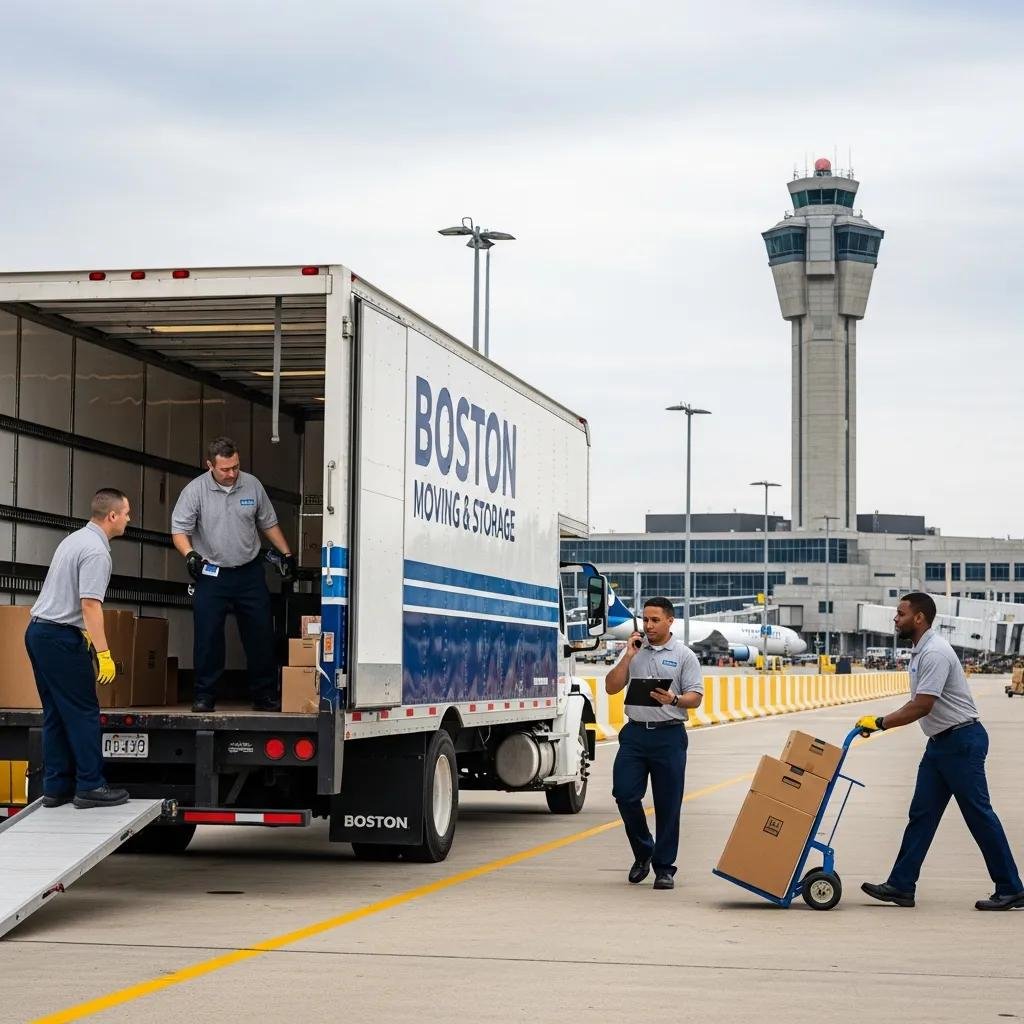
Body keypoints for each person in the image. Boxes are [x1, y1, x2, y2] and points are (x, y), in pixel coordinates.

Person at [857, 592, 1024, 910]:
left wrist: (881, 722)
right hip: (941, 745)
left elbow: (922, 705)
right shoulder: (921, 652)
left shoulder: (934, 652)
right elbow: (917, 701)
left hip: (961, 742)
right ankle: (901, 885)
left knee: (978, 815)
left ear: (919, 618)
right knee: (921, 815)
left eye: (901, 613)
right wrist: (884, 720)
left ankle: (1011, 887)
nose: (895, 618)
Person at [171, 437, 296, 713]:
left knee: (260, 634)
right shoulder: (195, 491)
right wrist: (190, 555)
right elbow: (179, 530)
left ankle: (264, 695)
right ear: (209, 466)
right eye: (225, 469)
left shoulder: (251, 484)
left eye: (235, 467)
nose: (231, 474)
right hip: (212, 574)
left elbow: (268, 523)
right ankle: (204, 696)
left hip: (249, 572)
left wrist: (286, 554)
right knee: (208, 636)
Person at [24, 489, 132, 809]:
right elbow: (89, 605)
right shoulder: (97, 552)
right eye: (126, 513)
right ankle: (90, 785)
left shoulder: (74, 539)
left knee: (56, 713)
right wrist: (103, 653)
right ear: (112, 516)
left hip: (39, 633)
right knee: (84, 712)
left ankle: (56, 788)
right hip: (60, 638)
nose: (129, 518)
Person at [605, 597, 703, 890]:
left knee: (667, 804)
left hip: (669, 735)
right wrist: (627, 657)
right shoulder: (634, 651)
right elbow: (611, 687)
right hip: (634, 734)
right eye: (645, 620)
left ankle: (664, 867)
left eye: (655, 620)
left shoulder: (685, 655)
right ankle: (643, 850)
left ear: (669, 621)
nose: (648, 625)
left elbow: (695, 697)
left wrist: (673, 699)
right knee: (624, 794)